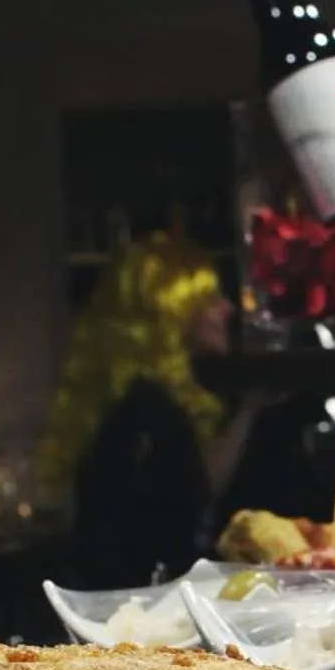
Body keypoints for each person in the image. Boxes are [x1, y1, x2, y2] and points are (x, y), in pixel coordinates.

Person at [40, 233, 240, 588]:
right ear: (173, 309)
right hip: (146, 607)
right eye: (210, 298)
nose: (228, 308)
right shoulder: (149, 410)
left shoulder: (132, 398)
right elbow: (193, 497)